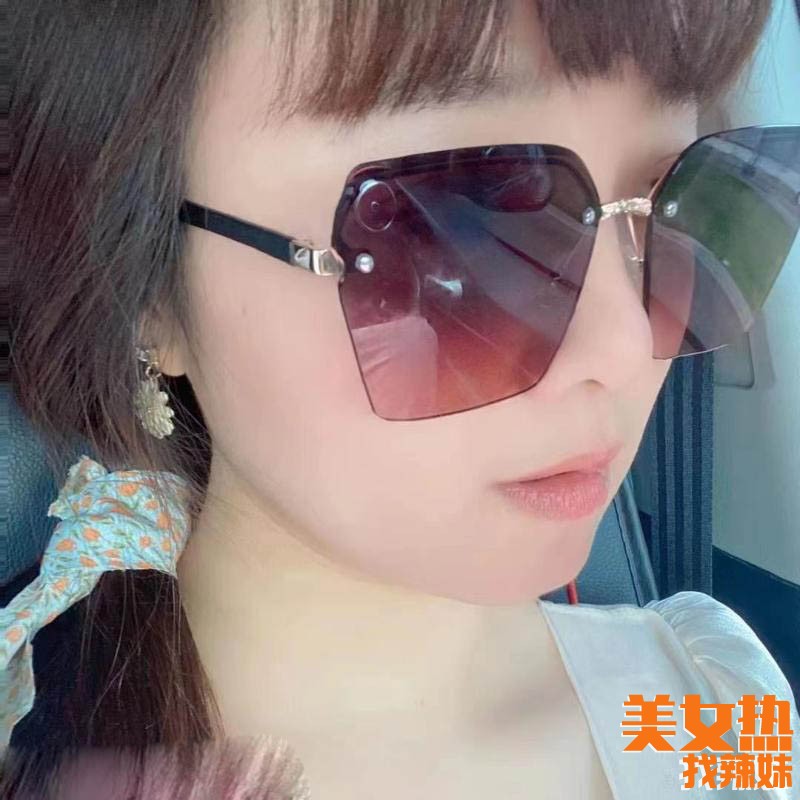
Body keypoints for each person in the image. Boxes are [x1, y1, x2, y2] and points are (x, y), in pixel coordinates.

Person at [6, 0, 799, 797]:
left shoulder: (718, 699)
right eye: (458, 227)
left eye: (682, 204)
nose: (626, 347)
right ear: (149, 291)